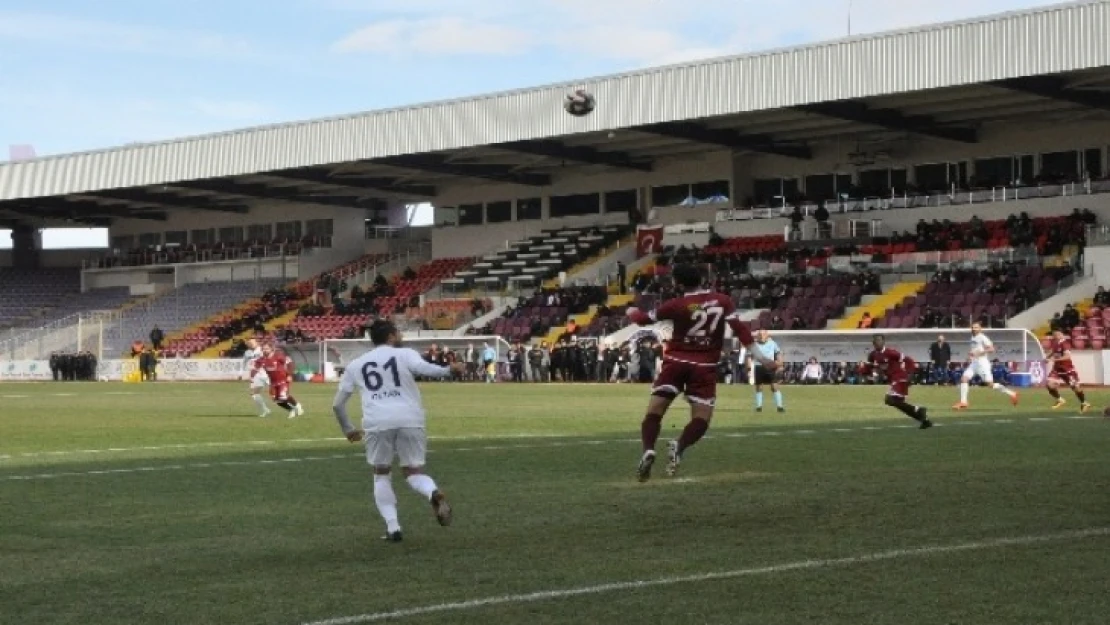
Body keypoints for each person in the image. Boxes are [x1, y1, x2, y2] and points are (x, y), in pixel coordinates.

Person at [625, 263, 777, 482]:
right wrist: (762, 358)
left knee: (655, 412)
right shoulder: (723, 301)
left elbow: (642, 320)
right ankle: (679, 446)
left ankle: (648, 449)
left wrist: (630, 310)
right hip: (704, 367)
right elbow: (740, 330)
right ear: (702, 278)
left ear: (677, 283)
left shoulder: (675, 305)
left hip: (675, 362)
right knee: (702, 418)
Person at [332, 319, 466, 542]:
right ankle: (432, 492)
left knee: (381, 473)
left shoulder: (357, 364)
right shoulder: (405, 354)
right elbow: (425, 369)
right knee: (414, 472)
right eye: (398, 332)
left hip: (377, 421)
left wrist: (348, 429)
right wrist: (448, 369)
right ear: (392, 336)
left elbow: (337, 404)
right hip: (410, 418)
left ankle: (393, 528)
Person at [860, 335, 933, 428]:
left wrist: (910, 374)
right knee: (896, 403)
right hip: (893, 380)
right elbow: (869, 366)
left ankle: (919, 411)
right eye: (876, 341)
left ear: (883, 342)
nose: (878, 343)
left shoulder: (891, 353)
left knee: (889, 400)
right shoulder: (873, 355)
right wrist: (863, 372)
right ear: (873, 343)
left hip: (900, 377)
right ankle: (924, 419)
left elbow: (908, 360)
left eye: (880, 340)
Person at [953, 322, 1019, 410]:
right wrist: (970, 356)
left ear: (980, 329)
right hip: (974, 363)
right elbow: (975, 350)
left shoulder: (983, 337)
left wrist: (979, 353)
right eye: (973, 327)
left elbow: (992, 349)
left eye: (976, 327)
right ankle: (963, 402)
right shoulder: (972, 337)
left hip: (982, 364)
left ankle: (1012, 394)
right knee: (964, 379)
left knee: (990, 384)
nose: (974, 329)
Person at [251, 343, 304, 419]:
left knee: (283, 397)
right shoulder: (261, 360)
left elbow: (290, 363)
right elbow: (255, 368)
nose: (264, 350)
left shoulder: (278, 356)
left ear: (271, 349)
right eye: (263, 349)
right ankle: (291, 410)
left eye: (266, 349)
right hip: (273, 383)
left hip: (283, 380)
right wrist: (252, 377)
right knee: (276, 400)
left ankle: (298, 406)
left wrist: (289, 374)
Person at [1045, 329, 1091, 413]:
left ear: (1062, 335)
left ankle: (1084, 403)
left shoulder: (1065, 344)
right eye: (1055, 335)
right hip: (1057, 369)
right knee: (1049, 384)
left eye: (1058, 334)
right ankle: (1060, 400)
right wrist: (1047, 357)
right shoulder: (1055, 343)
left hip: (1067, 370)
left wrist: (1053, 359)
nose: (1056, 336)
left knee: (1075, 388)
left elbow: (1067, 356)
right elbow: (1052, 351)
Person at [749, 330, 785, 411]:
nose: (762, 336)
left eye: (763, 334)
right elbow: (749, 356)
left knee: (774, 386)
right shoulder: (753, 344)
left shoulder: (772, 343)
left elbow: (778, 353)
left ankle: (780, 406)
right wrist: (749, 369)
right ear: (757, 336)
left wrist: (780, 364)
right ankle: (759, 407)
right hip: (758, 367)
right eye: (760, 334)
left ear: (767, 335)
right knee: (759, 387)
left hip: (770, 367)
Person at [242, 338, 271, 417]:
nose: (251, 344)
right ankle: (265, 409)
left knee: (277, 392)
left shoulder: (262, 350)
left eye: (252, 342)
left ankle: (293, 406)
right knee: (254, 394)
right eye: (249, 343)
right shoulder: (247, 353)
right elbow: (244, 363)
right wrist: (241, 373)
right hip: (255, 375)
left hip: (265, 373)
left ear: (257, 343)